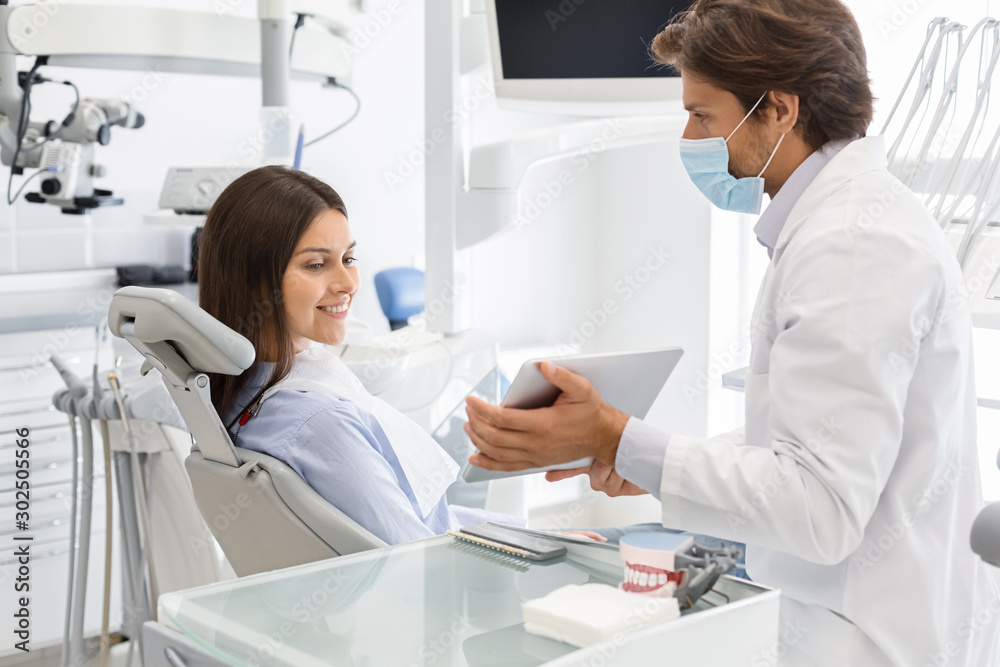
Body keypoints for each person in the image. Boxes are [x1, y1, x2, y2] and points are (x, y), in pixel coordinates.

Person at [463, 0, 1000, 664]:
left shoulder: (853, 247)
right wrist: (643, 460)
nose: (689, 138)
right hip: (850, 615)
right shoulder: (845, 222)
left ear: (779, 108)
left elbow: (818, 507)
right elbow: (807, 441)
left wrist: (616, 436)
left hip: (867, 634)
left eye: (701, 115)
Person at [197, 166, 550, 545]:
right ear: (255, 282)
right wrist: (542, 544)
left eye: (348, 259)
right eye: (316, 264)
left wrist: (530, 533)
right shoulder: (318, 424)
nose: (348, 284)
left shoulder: (238, 398)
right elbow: (418, 557)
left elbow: (423, 524)